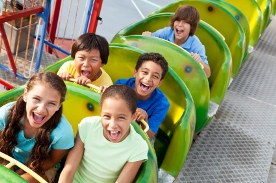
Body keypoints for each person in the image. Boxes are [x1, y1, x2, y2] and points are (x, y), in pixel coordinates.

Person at [58, 85, 148, 183]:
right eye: (107, 116)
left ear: (133, 117)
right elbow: (69, 170)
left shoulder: (139, 147)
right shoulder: (88, 126)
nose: (113, 125)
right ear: (100, 112)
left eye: (121, 118)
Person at [0, 72, 74, 183]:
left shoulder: (63, 132)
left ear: (59, 106)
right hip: (7, 155)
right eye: (37, 99)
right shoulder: (7, 112)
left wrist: (21, 172)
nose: (41, 109)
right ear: (25, 95)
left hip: (40, 166)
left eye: (51, 103)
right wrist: (5, 164)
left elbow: (52, 160)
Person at [142, 5, 211, 78]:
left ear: (191, 27)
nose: (180, 24)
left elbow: (208, 74)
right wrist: (146, 36)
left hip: (181, 76)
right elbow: (149, 40)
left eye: (185, 22)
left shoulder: (196, 46)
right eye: (177, 20)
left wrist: (200, 62)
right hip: (162, 71)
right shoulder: (167, 32)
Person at [115, 52, 170, 143]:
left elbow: (149, 136)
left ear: (160, 82)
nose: (148, 78)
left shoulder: (162, 104)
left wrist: (145, 119)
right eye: (145, 72)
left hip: (140, 137)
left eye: (155, 76)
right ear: (135, 73)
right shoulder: (121, 85)